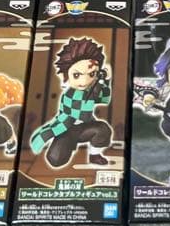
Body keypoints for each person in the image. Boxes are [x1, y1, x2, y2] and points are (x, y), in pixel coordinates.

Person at [30, 38, 112, 167]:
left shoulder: (91, 90)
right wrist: (99, 83)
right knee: (55, 159)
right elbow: (84, 111)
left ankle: (94, 155)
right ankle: (62, 146)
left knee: (103, 129)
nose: (84, 81)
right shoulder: (70, 94)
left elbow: (103, 99)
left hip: (85, 128)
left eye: (92, 74)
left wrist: (105, 80)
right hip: (66, 129)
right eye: (77, 75)